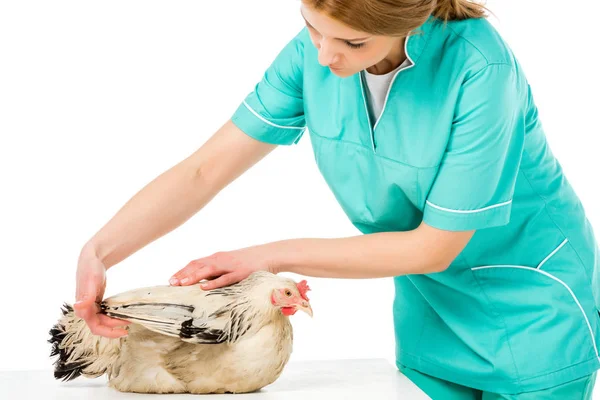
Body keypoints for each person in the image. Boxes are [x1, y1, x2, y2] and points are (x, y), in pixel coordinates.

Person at [73, 0, 600, 398]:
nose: (324, 56)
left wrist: (263, 258)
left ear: (408, 22)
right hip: (430, 306)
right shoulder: (315, 50)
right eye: (311, 26)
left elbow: (431, 248)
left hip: (530, 303)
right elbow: (204, 170)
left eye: (352, 43)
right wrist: (98, 252)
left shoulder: (481, 69)